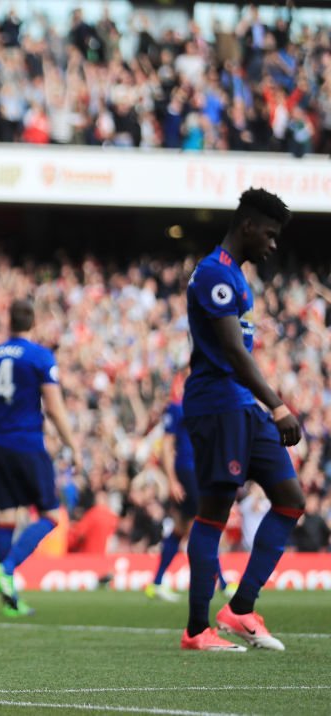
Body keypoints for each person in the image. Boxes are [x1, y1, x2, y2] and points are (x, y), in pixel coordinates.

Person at [179, 187, 304, 652]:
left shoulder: (234, 275)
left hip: (242, 405)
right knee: (214, 511)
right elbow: (232, 350)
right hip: (217, 405)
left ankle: (241, 607)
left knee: (290, 500)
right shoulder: (215, 272)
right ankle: (196, 630)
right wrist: (278, 405)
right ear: (247, 226)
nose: (272, 244)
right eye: (268, 234)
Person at [0, 299, 81, 616]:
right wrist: (73, 445)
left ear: (9, 322)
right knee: (51, 514)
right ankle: (7, 569)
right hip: (27, 441)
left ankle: (9, 599)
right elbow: (53, 407)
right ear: (33, 323)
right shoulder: (39, 355)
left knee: (6, 515)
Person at [146, 372, 234, 602]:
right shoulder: (177, 408)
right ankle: (221, 583)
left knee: (181, 528)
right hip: (186, 473)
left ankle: (157, 582)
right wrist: (172, 479)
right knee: (204, 525)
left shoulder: (203, 408)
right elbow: (167, 445)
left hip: (198, 472)